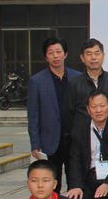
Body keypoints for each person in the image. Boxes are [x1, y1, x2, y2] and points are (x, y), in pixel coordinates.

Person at [27, 36, 81, 190]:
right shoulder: (36, 81)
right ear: (46, 57)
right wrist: (35, 143)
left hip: (74, 139)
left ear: (65, 54)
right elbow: (33, 115)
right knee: (51, 184)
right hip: (50, 141)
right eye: (51, 53)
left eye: (58, 52)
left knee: (76, 183)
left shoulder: (77, 78)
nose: (55, 56)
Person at [67, 38, 108, 127]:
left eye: (97, 53)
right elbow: (69, 115)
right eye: (89, 54)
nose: (93, 57)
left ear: (103, 56)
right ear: (82, 58)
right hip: (83, 134)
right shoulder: (74, 83)